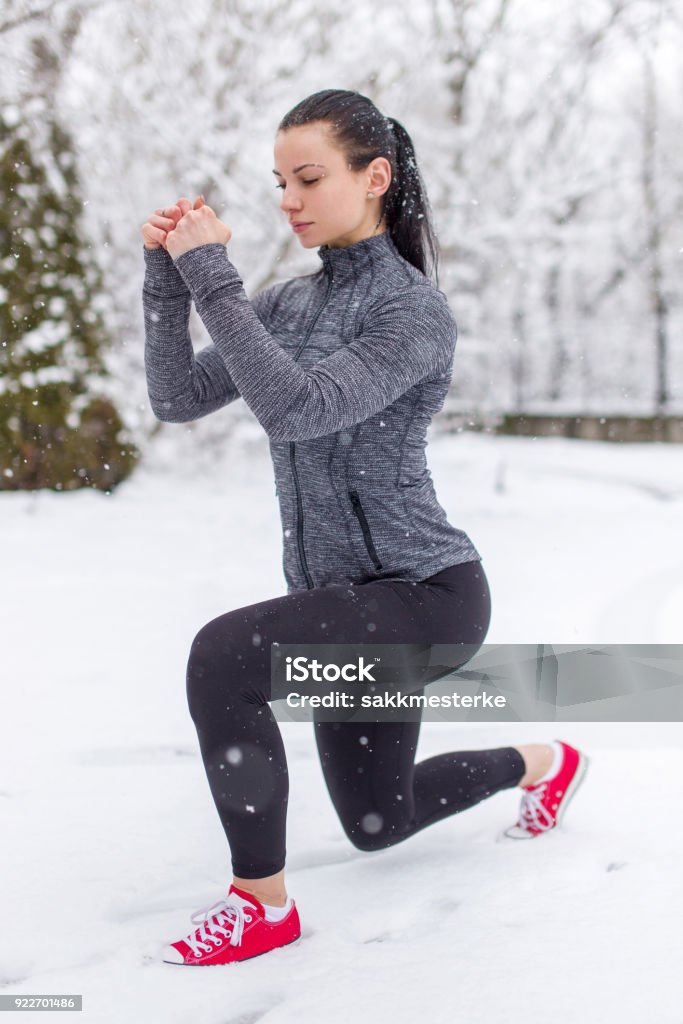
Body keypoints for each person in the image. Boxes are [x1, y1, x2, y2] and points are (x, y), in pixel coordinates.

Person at [140, 89, 589, 968]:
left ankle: (260, 908)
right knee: (378, 823)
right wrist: (166, 278)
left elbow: (298, 410)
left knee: (222, 656)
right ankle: (543, 760)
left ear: (374, 177)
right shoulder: (286, 307)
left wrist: (214, 280)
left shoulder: (411, 312)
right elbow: (176, 398)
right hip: (342, 601)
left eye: (308, 177)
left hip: (426, 597)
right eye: (279, 181)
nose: (288, 200)